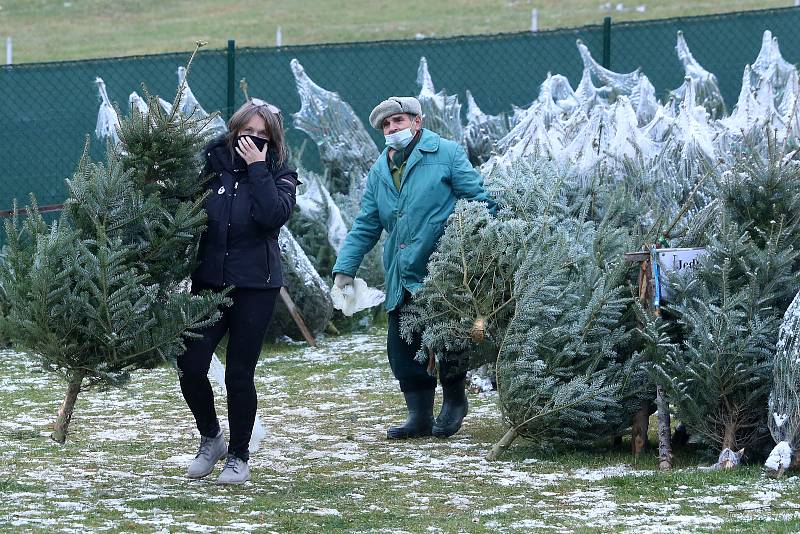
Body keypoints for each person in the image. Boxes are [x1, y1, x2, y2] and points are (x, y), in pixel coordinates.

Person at [332, 96, 496, 440]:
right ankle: (418, 415)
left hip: (445, 266)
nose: (393, 129)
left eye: (399, 121)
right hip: (401, 268)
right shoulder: (380, 171)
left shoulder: (445, 153)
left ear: (417, 122)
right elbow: (367, 223)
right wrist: (345, 269)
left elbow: (479, 200)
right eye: (386, 126)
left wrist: (478, 244)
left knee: (451, 336)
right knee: (403, 342)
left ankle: (454, 401)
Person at [177, 98, 298, 484]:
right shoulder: (210, 167)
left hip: (256, 286)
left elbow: (271, 216)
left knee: (239, 374)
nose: (253, 140)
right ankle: (211, 437)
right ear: (234, 131)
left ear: (273, 141)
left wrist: (257, 169)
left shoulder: (282, 174)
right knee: (190, 365)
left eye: (262, 135)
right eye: (248, 132)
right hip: (209, 282)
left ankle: (239, 455)